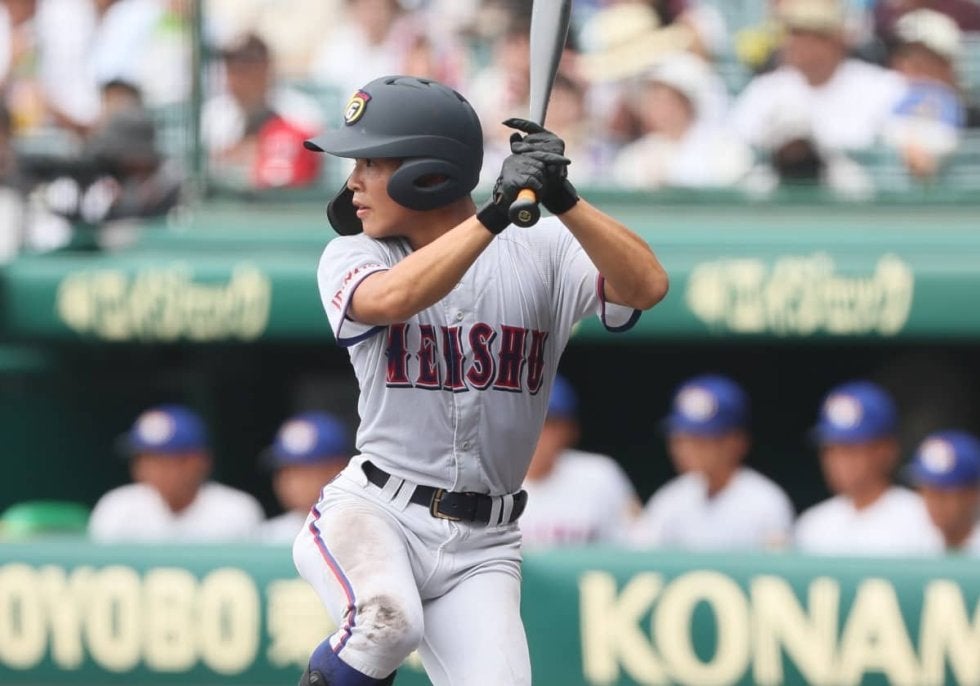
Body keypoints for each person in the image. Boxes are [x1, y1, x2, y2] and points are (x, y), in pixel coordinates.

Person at [292, 75, 669, 686]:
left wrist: (562, 197)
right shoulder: (355, 254)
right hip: (378, 511)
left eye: (369, 161)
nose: (353, 182)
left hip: (485, 544)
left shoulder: (545, 247)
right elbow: (394, 297)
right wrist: (497, 212)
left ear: (429, 173)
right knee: (386, 623)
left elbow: (647, 285)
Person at [630, 374, 795, 551]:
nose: (686, 448)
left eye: (701, 439)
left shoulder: (765, 502)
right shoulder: (670, 498)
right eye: (680, 438)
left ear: (737, 441)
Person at [794, 380, 944, 556]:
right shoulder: (812, 524)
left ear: (887, 450)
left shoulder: (923, 518)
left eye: (850, 449)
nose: (839, 461)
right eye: (831, 449)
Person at [88, 404, 265, 542]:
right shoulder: (118, 507)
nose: (149, 470)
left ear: (198, 462)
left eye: (162, 460)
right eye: (143, 459)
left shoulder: (236, 510)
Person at [519, 374, 642, 549]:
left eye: (548, 423)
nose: (535, 433)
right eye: (525, 420)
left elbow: (638, 549)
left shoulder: (600, 476)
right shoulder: (484, 482)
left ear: (570, 430)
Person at [257, 410, 353, 544]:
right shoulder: (267, 535)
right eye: (285, 472)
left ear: (337, 470)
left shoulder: (364, 524)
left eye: (304, 471)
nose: (293, 483)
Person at [904, 429, 980, 555]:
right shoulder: (910, 541)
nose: (935, 503)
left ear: (973, 493)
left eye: (943, 494)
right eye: (928, 492)